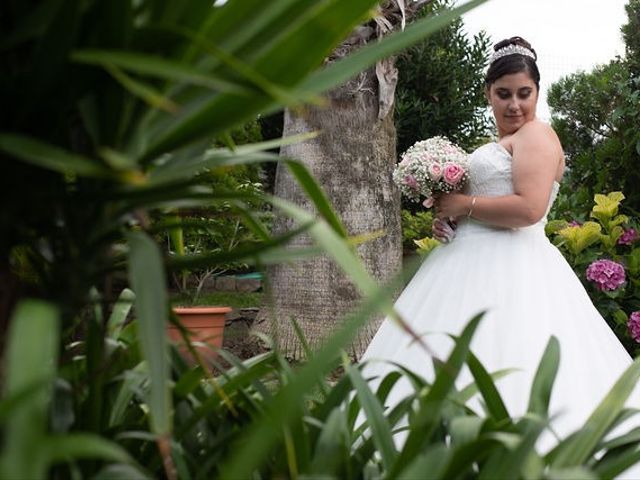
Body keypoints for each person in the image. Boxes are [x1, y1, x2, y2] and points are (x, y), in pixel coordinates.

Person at [360, 36, 640, 471]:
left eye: (523, 94)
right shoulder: (499, 142)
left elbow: (529, 208)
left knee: (512, 354)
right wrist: (450, 219)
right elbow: (484, 201)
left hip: (517, 268)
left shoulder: (537, 135)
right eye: (503, 93)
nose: (514, 105)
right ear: (488, 93)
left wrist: (465, 206)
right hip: (461, 266)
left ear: (537, 93)